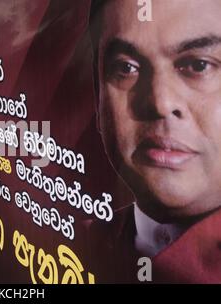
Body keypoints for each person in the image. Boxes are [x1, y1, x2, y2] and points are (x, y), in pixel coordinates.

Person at [87, 0, 221, 283]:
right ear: (98, 98)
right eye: (126, 68)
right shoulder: (71, 244)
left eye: (199, 65)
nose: (160, 102)